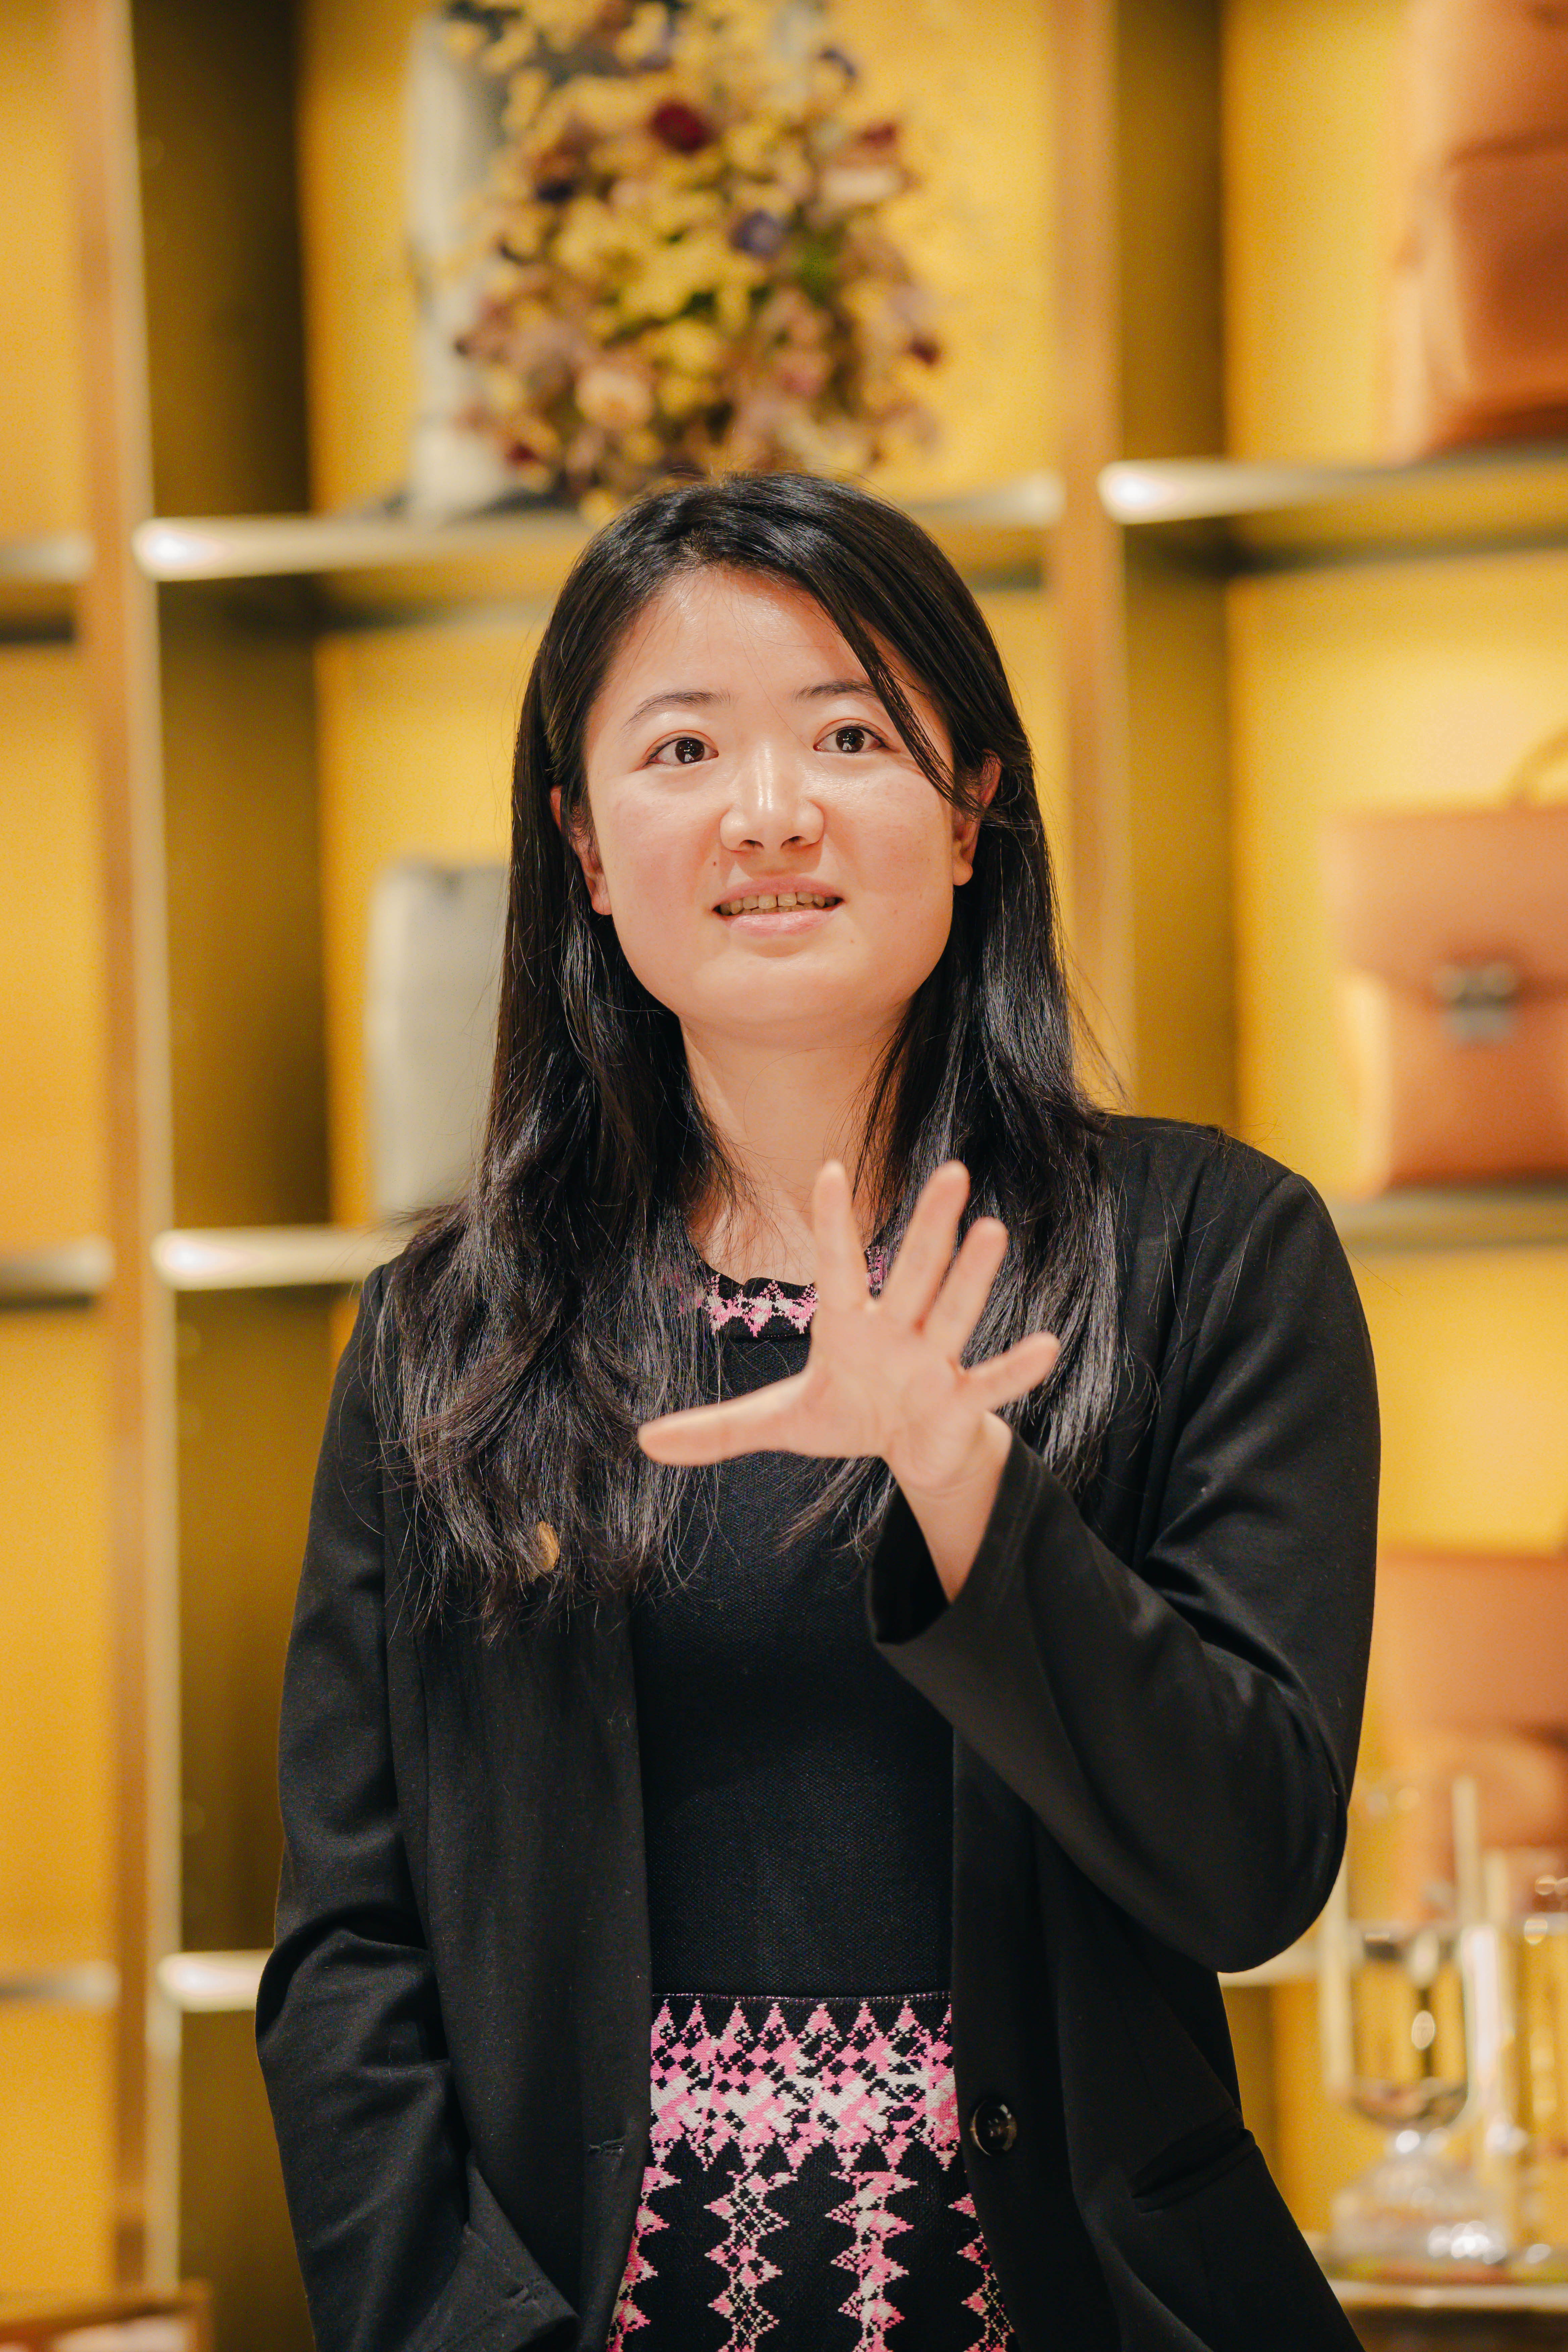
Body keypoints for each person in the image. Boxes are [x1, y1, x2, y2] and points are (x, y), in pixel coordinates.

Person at [256, 472, 1378, 2352]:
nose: (769, 810)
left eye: (851, 735)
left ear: (973, 805)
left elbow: (1250, 1867)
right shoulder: (450, 1333)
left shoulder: (1209, 1251)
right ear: (584, 846)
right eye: (683, 747)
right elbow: (349, 1957)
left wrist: (962, 1481)